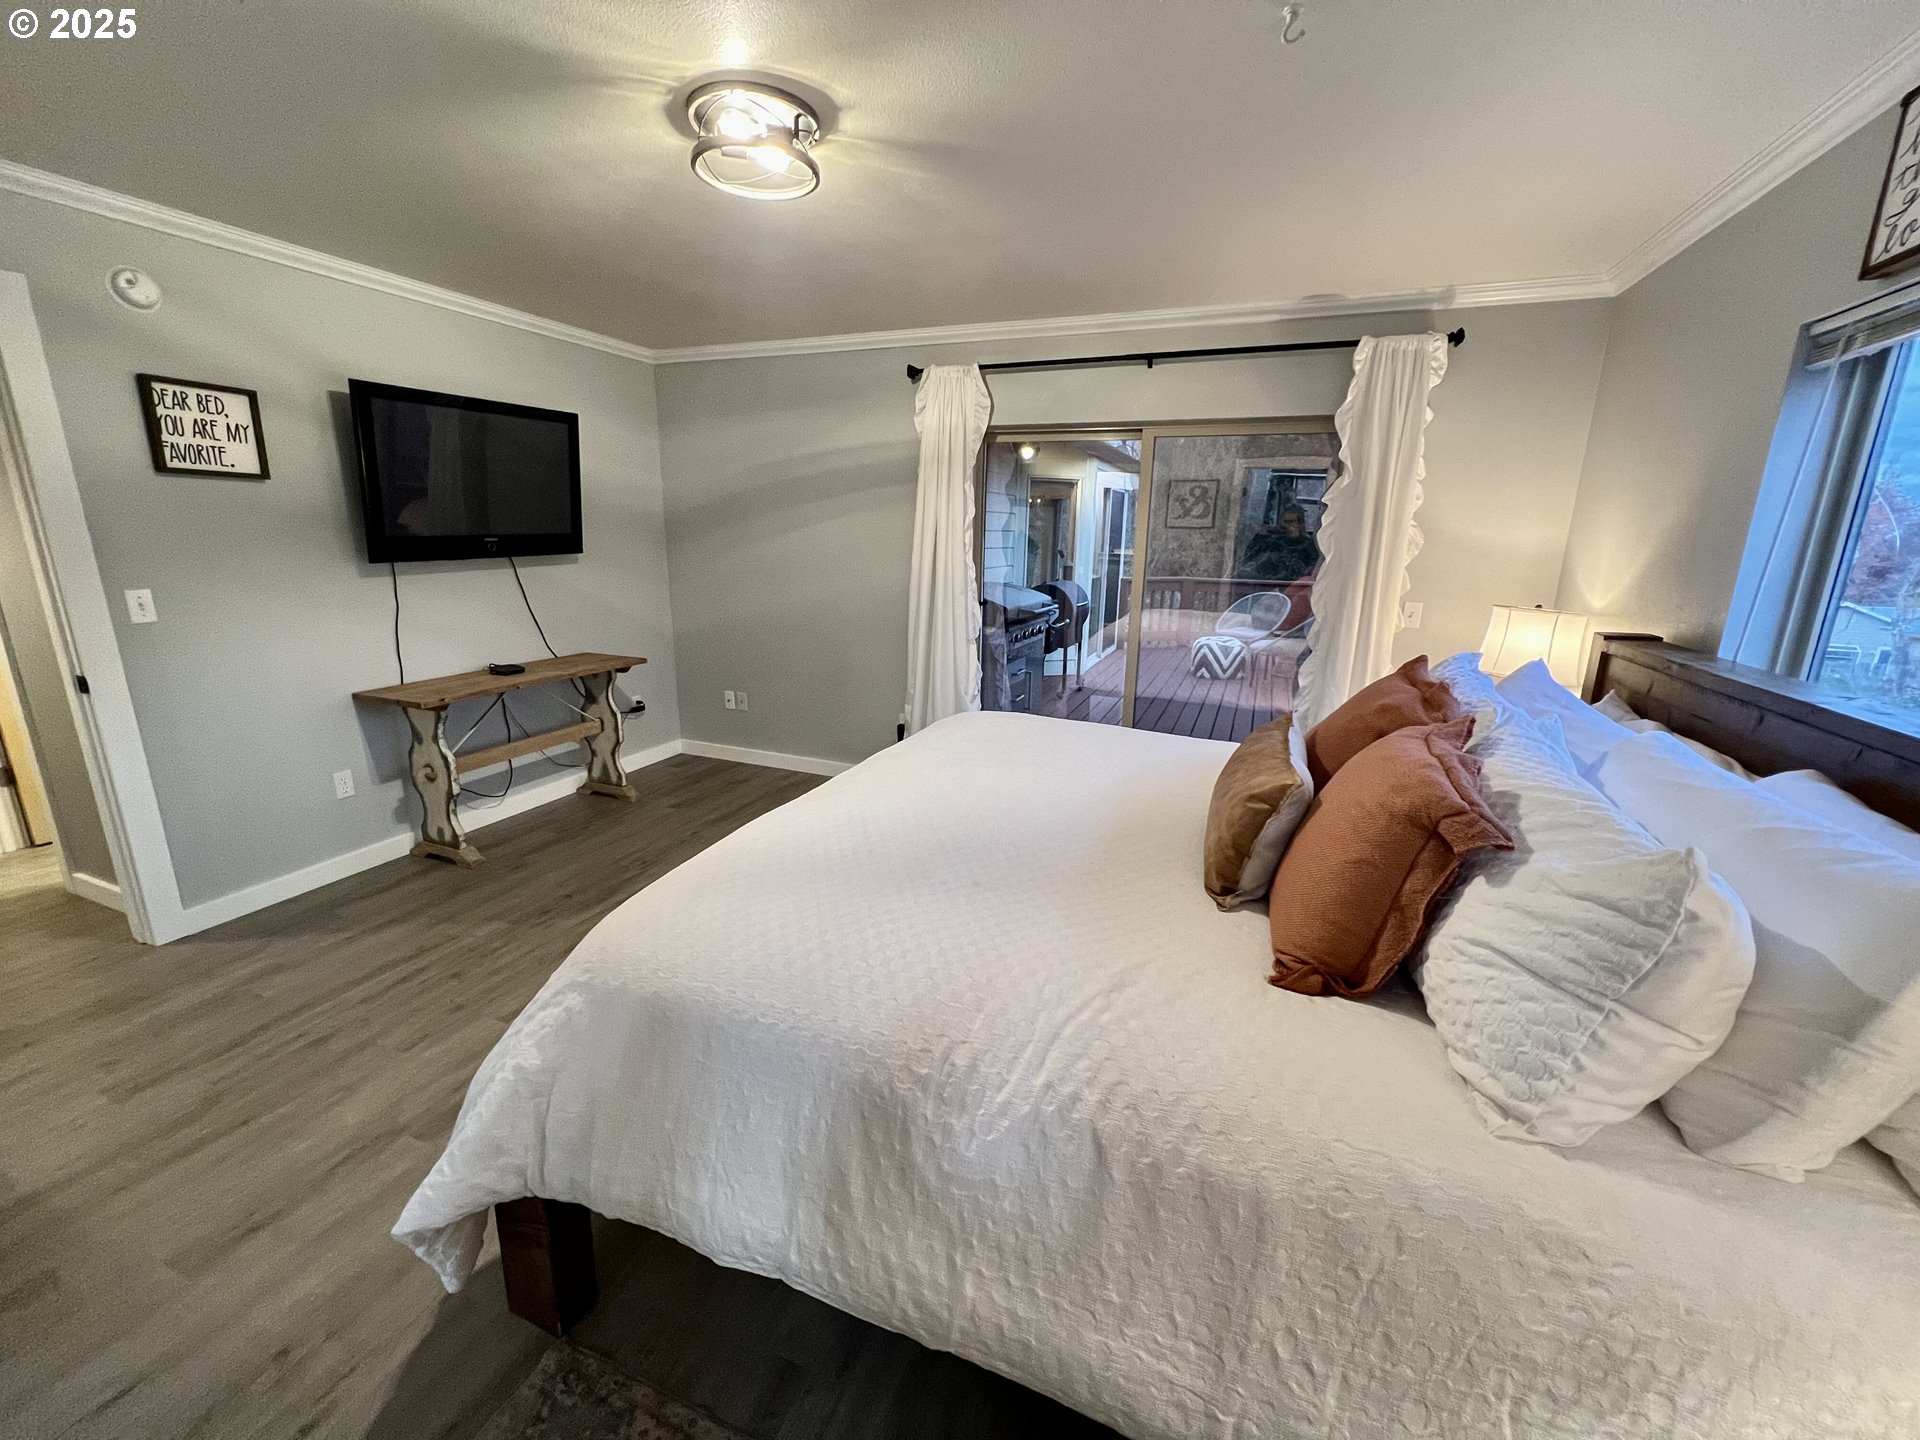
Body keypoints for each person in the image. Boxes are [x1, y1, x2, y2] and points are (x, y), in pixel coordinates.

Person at [1240, 504, 1322, 582]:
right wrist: (1260, 536)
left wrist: (1295, 540)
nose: (1285, 526)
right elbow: (1248, 558)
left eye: (1290, 522)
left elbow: (1308, 572)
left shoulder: (1310, 545)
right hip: (1263, 584)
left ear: (1301, 524)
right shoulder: (1271, 540)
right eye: (1283, 522)